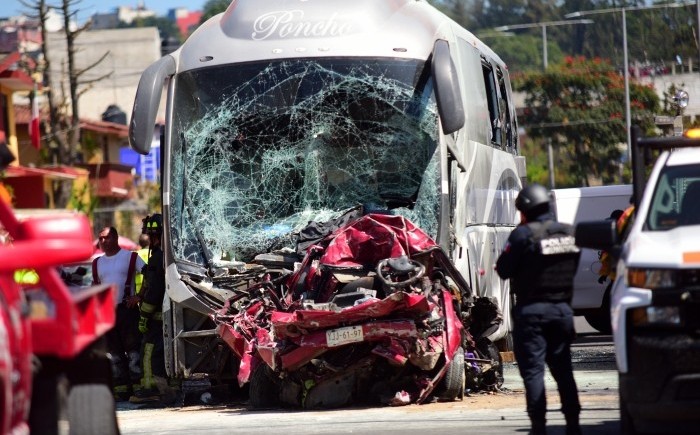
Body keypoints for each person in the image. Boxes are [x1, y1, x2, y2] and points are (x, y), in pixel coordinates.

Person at [496, 183, 582, 435]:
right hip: (562, 312)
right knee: (564, 370)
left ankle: (538, 427)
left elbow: (504, 270)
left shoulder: (523, 235)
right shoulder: (569, 233)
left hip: (532, 313)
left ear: (525, 209)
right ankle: (574, 425)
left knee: (533, 372)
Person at [93, 226, 147, 401]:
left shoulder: (130, 257)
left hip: (127, 312)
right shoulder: (97, 262)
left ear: (115, 238)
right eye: (100, 238)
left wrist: (138, 296)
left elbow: (149, 275)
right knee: (114, 353)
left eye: (106, 238)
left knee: (133, 352)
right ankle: (122, 389)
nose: (102, 241)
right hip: (107, 313)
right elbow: (95, 287)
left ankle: (138, 387)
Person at [129, 214, 175, 405]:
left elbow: (155, 290)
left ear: (153, 235)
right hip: (164, 314)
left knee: (149, 351)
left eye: (148, 233)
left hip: (155, 316)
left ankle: (151, 390)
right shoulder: (164, 255)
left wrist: (144, 316)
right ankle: (167, 388)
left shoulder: (157, 258)